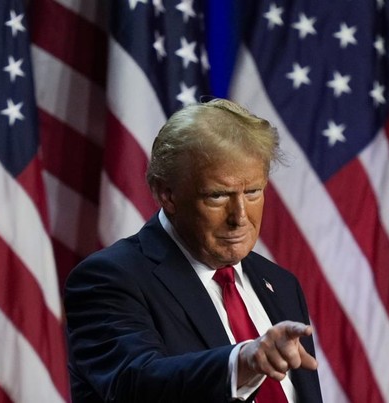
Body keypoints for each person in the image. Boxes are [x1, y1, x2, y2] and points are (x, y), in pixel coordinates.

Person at [64, 99, 323, 402]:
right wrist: (242, 362)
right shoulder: (109, 278)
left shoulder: (280, 283)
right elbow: (134, 383)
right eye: (217, 195)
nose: (240, 216)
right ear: (167, 194)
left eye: (253, 192)